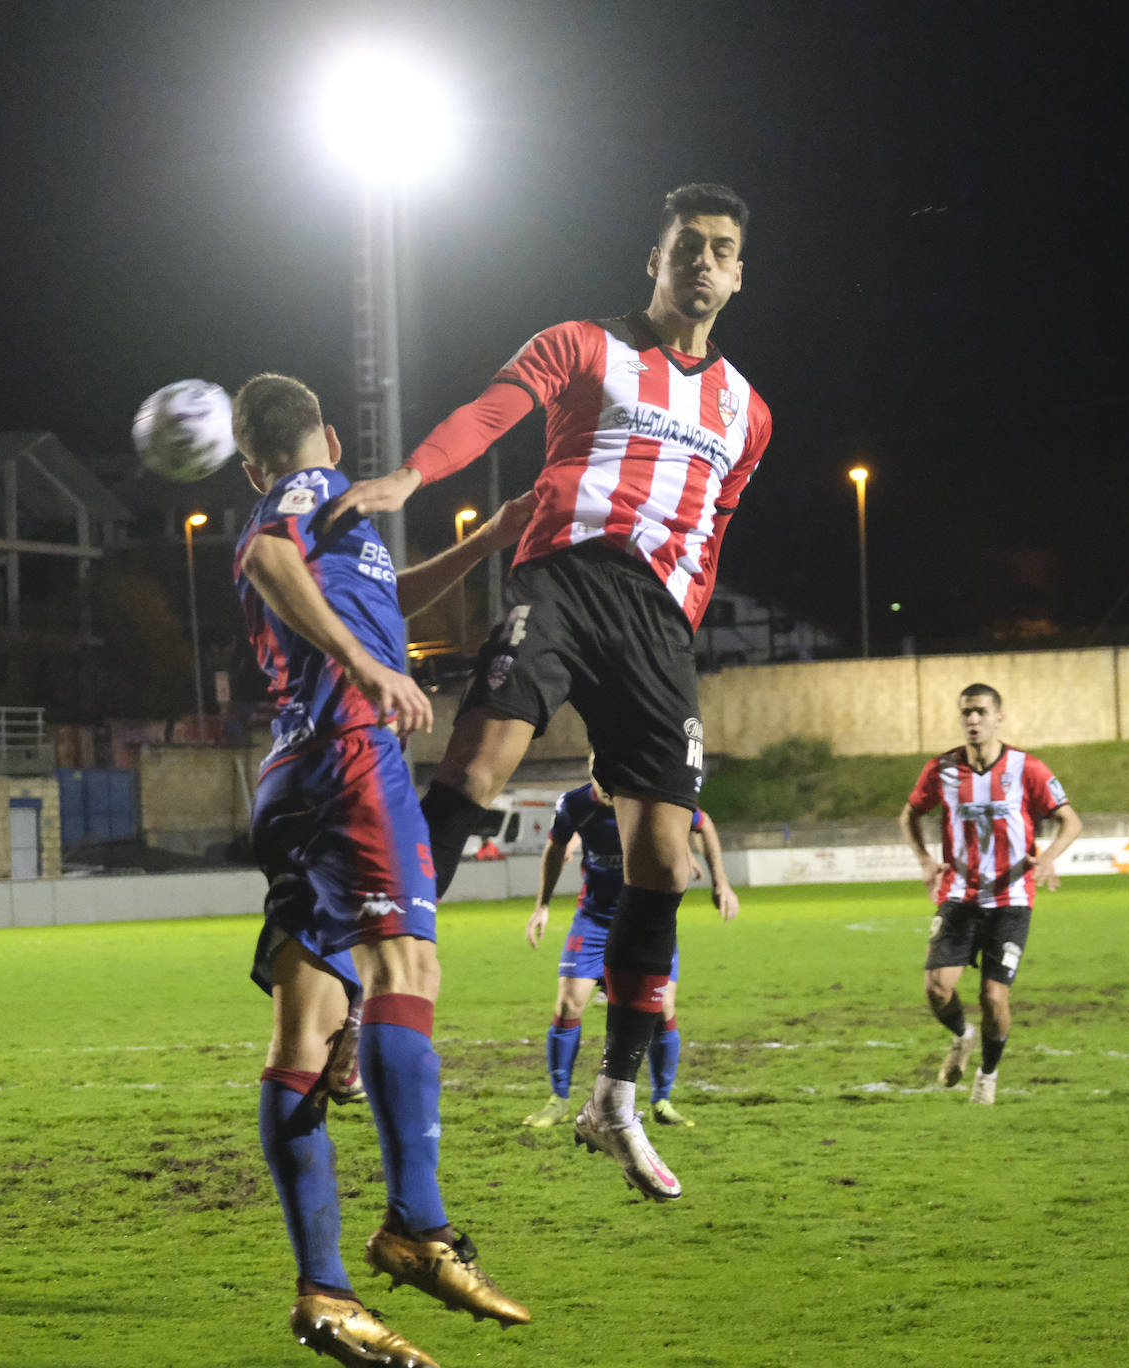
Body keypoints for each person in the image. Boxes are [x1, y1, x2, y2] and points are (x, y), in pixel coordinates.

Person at [323, 183, 771, 1201]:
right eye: (687, 245)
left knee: (662, 853)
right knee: (480, 768)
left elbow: (717, 520)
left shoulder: (749, 412)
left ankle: (614, 1101)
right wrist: (408, 481)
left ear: (739, 275)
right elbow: (491, 412)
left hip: (658, 626)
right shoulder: (580, 344)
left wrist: (683, 619)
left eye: (722, 249)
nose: (703, 261)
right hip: (565, 577)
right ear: (652, 259)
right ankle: (363, 996)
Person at [232, 373, 533, 1366]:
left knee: (306, 1025)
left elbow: (380, 603)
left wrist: (484, 542)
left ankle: (324, 1294)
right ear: (321, 436)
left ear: (245, 456)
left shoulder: (331, 527)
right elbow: (270, 553)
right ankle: (418, 1224)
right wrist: (364, 670)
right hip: (350, 750)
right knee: (408, 973)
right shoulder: (311, 493)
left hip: (293, 771)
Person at [521, 766, 738, 1130]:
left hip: (645, 919)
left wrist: (722, 883)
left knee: (662, 1008)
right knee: (568, 1003)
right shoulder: (575, 804)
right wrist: (542, 905)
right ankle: (558, 1099)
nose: (606, 786)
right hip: (593, 920)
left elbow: (702, 822)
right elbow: (557, 846)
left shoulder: (650, 796)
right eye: (598, 777)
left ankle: (662, 1101)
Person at [899, 683, 1083, 1106]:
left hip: (1011, 899)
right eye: (966, 713)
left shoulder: (1027, 768)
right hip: (959, 895)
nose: (973, 720)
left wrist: (1049, 857)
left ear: (999, 717)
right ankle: (962, 1037)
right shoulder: (941, 769)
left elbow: (1069, 820)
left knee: (994, 996)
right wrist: (926, 861)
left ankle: (988, 1073)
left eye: (981, 712)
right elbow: (910, 814)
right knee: (936, 990)